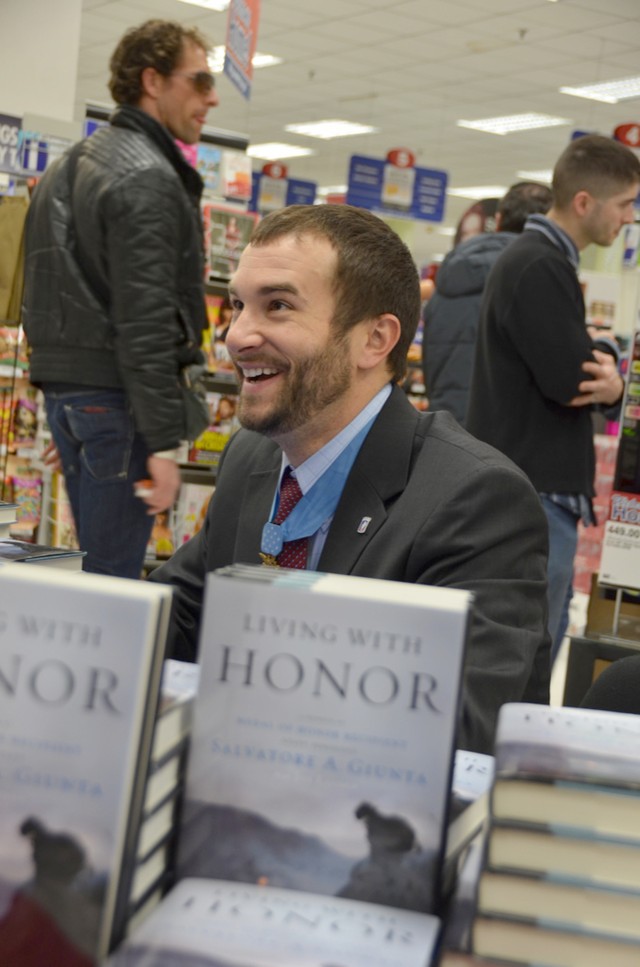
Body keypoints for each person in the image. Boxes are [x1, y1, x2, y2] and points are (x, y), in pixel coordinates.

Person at [151, 203, 550, 755]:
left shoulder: (477, 500)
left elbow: (458, 731)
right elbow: (173, 616)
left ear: (375, 339)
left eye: (279, 306)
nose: (237, 336)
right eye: (240, 304)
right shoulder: (251, 458)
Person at [22, 19, 219, 578]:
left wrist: (62, 400)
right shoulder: (147, 176)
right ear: (152, 81)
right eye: (200, 81)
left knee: (93, 574)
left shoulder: (68, 164)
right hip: (118, 404)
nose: (212, 97)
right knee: (112, 582)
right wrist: (161, 441)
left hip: (76, 399)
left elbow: (41, 289)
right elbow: (146, 316)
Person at [467, 134, 640, 663]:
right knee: (531, 641)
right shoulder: (540, 263)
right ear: (585, 202)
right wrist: (607, 372)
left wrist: (595, 354)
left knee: (535, 633)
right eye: (625, 204)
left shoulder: (542, 260)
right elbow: (570, 379)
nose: (629, 218)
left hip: (530, 483)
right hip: (534, 489)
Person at [422, 181, 552, 426]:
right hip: (500, 434)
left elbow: (431, 362)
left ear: (499, 219)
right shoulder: (534, 280)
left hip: (442, 426)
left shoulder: (448, 281)